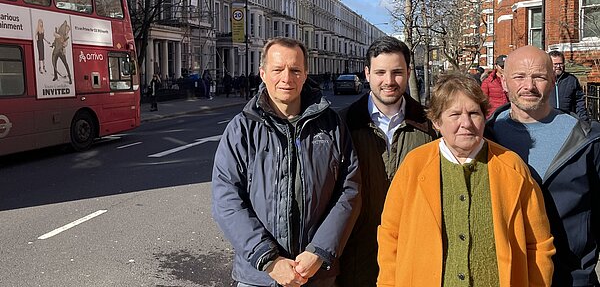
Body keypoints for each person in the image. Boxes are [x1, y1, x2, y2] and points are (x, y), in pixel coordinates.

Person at [378, 72, 555, 287]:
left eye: (474, 113)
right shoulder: (414, 165)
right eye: (454, 115)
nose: (466, 123)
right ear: (436, 121)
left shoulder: (511, 167)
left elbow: (538, 244)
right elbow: (390, 236)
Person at [212, 37, 361, 287]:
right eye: (278, 69)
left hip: (317, 273)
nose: (286, 78)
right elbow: (226, 199)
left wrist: (320, 252)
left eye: (295, 70)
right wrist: (269, 260)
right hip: (259, 276)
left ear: (305, 74)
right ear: (263, 73)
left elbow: (349, 192)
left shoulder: (332, 126)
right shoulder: (242, 128)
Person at [485, 45, 600, 286]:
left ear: (553, 80)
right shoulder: (485, 137)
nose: (529, 86)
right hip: (504, 273)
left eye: (538, 76)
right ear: (504, 82)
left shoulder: (587, 139)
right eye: (519, 76)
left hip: (570, 275)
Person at [337, 35, 436, 287]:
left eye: (397, 72)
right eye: (380, 72)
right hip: (356, 254)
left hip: (415, 252)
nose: (389, 81)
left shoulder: (430, 125)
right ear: (367, 74)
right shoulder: (343, 124)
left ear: (409, 72)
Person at [548, 50, 590, 122]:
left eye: (561, 64)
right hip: (549, 121)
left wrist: (583, 120)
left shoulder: (571, 80)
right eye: (555, 64)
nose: (558, 66)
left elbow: (579, 102)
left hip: (568, 121)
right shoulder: (543, 80)